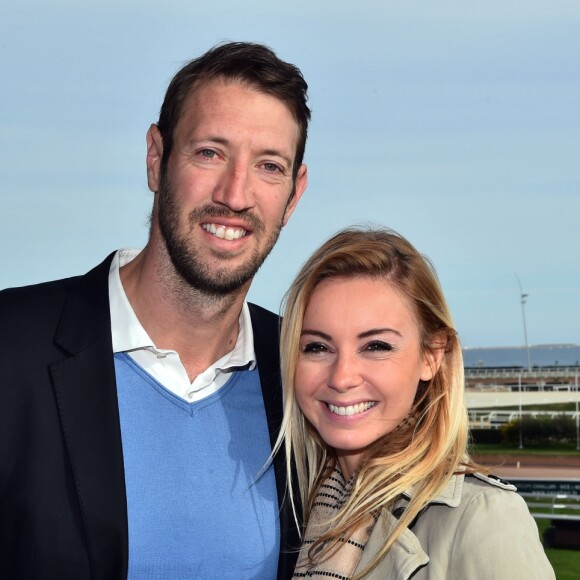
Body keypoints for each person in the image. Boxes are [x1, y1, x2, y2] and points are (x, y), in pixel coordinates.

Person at [0, 42, 309, 580]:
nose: (235, 194)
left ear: (294, 194)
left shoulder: (301, 374)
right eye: (209, 152)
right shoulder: (11, 345)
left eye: (268, 166)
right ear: (155, 157)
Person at [276, 227, 555, 579]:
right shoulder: (298, 512)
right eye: (317, 347)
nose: (342, 376)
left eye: (376, 346)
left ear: (431, 356)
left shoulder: (483, 517)